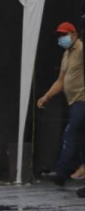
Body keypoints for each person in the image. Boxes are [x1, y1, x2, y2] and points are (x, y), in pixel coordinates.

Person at [37, 22, 85, 186]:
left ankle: (61, 172)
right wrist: (46, 97)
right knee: (79, 136)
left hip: (82, 100)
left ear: (74, 35)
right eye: (59, 35)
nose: (61, 38)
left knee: (70, 133)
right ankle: (78, 168)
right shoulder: (66, 54)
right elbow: (60, 81)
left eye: (64, 34)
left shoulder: (81, 50)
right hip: (73, 101)